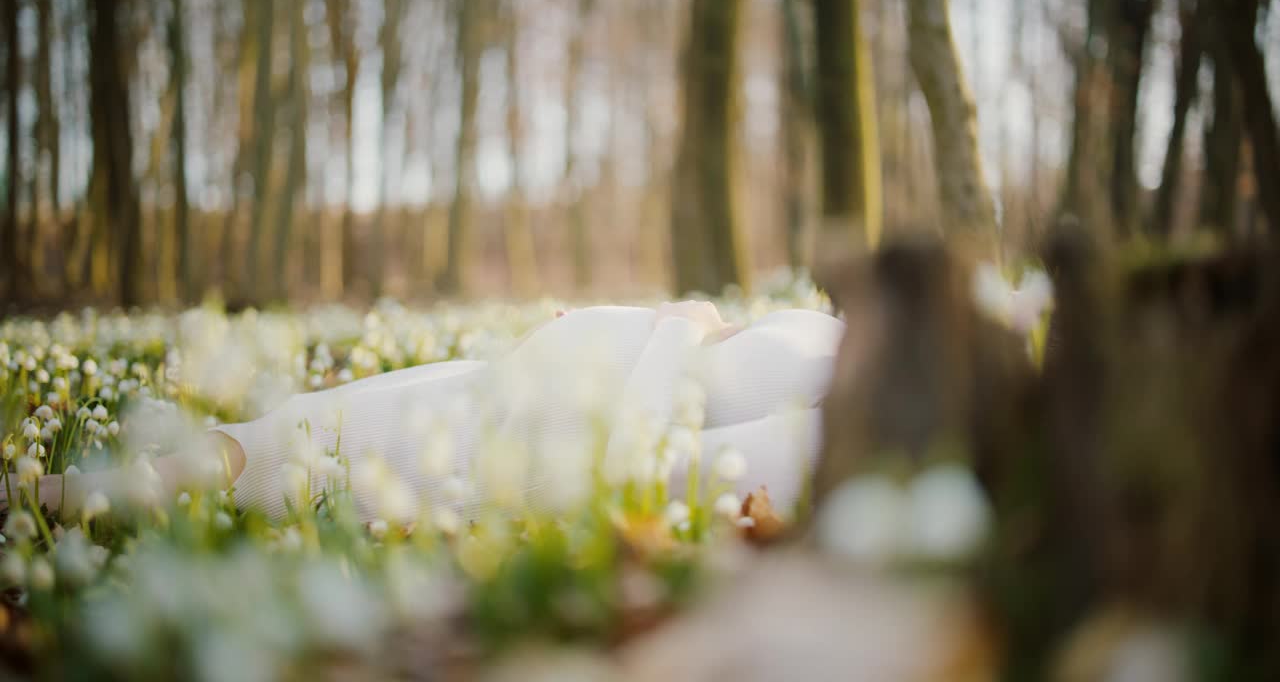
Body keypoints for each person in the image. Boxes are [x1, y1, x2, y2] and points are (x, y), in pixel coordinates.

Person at [15, 301, 844, 523]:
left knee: (265, 457)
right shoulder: (851, 345)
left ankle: (37, 502)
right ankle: (45, 493)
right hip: (491, 392)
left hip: (479, 456)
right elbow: (724, 367)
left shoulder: (832, 437)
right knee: (270, 435)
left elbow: (630, 472)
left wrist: (669, 330)